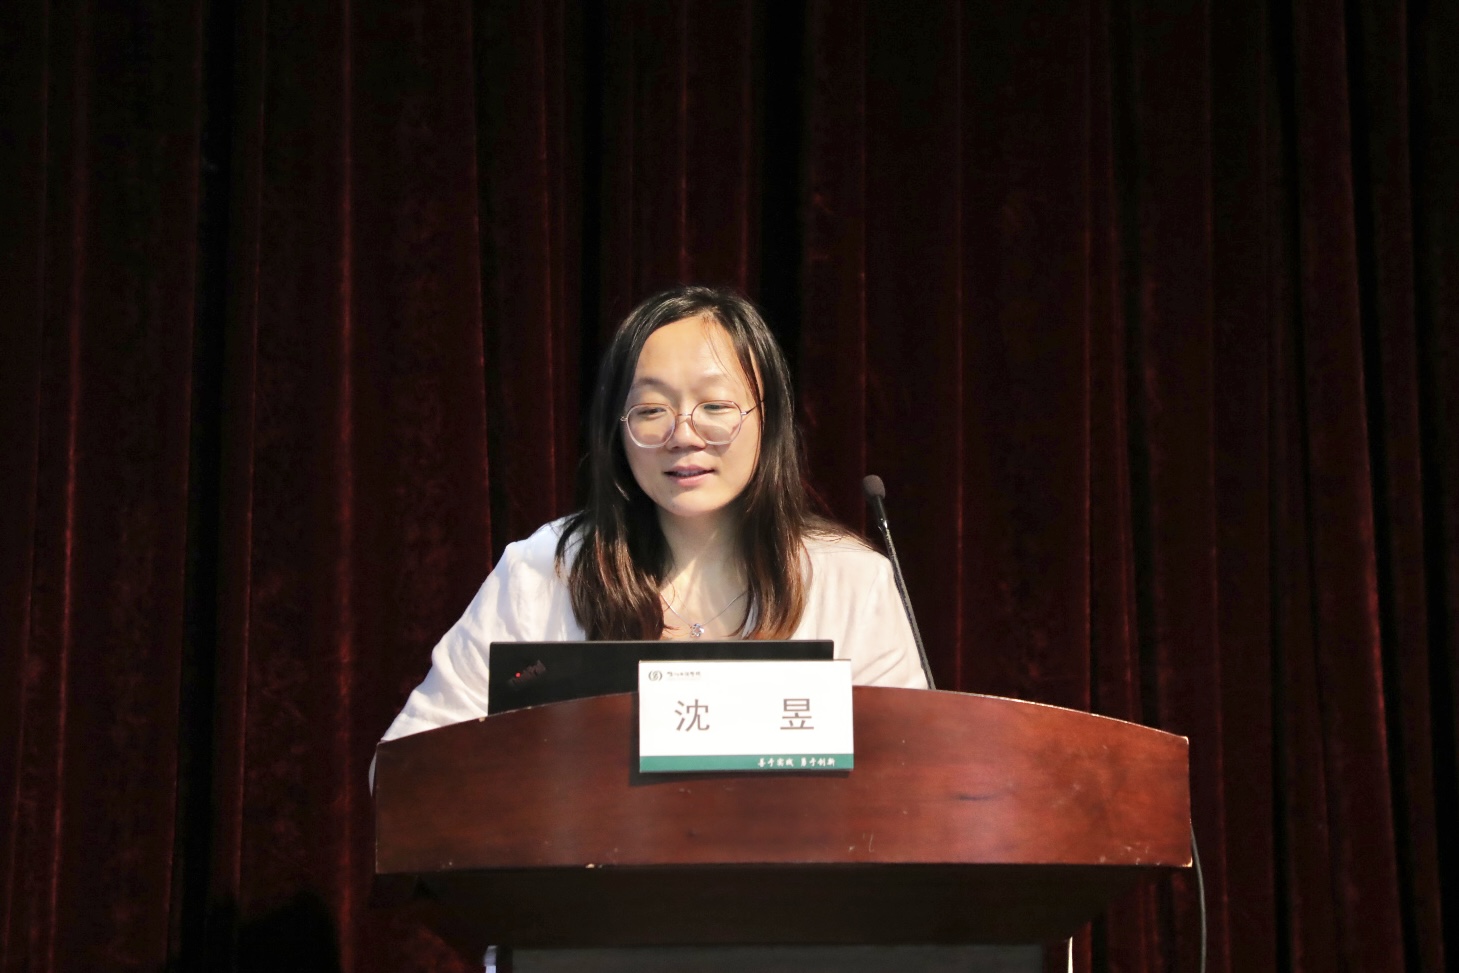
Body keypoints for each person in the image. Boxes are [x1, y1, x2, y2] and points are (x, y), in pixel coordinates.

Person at [379, 285, 927, 746]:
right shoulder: (544, 570)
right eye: (651, 410)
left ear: (770, 419)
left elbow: (910, 770)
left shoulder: (851, 581)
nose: (683, 435)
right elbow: (409, 763)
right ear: (617, 429)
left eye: (716, 406)